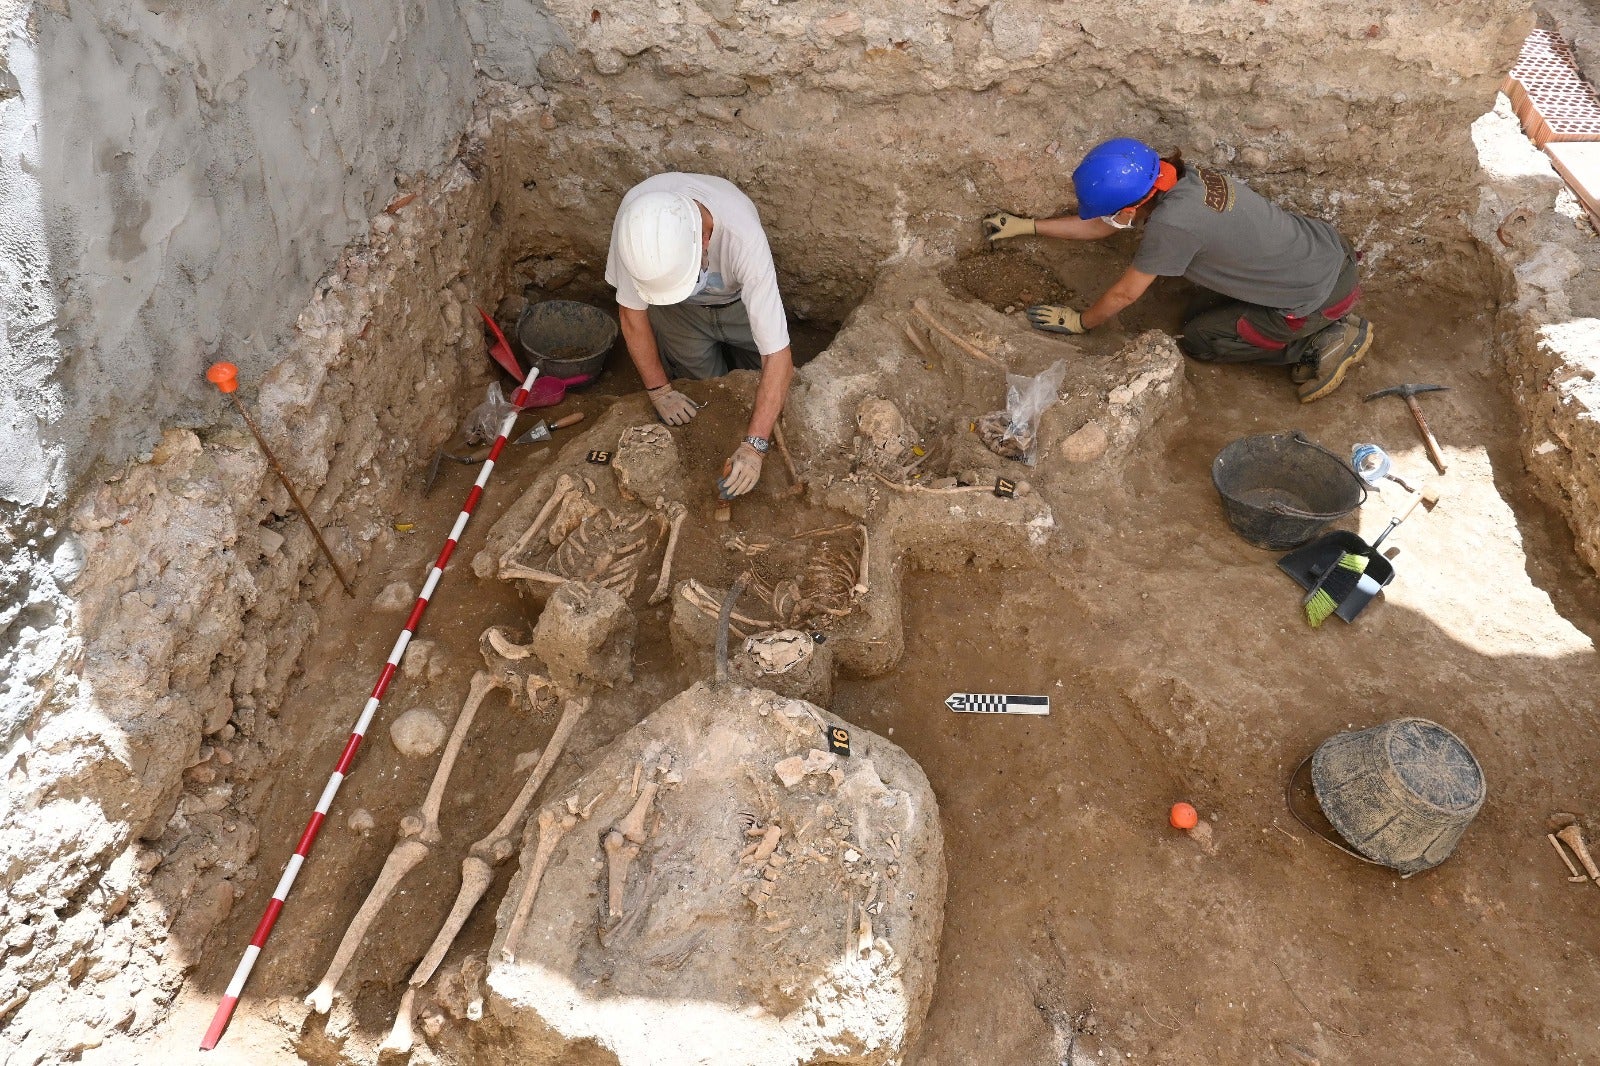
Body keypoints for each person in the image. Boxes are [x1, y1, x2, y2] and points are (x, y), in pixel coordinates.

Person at [982, 138, 1372, 403]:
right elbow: (1106, 224)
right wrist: (1028, 225)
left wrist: (1082, 322)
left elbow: (1124, 294)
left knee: (1199, 338)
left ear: (1131, 208)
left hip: (1315, 301)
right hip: (1329, 253)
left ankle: (1324, 341)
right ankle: (1318, 325)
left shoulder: (1172, 226)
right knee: (1196, 306)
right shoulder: (1181, 177)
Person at [605, 173, 795, 497]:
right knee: (707, 394)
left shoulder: (743, 236)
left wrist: (755, 446)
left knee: (759, 377)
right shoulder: (636, 229)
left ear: (705, 238)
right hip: (678, 315)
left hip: (738, 307)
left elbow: (777, 355)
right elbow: (632, 315)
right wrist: (659, 391)